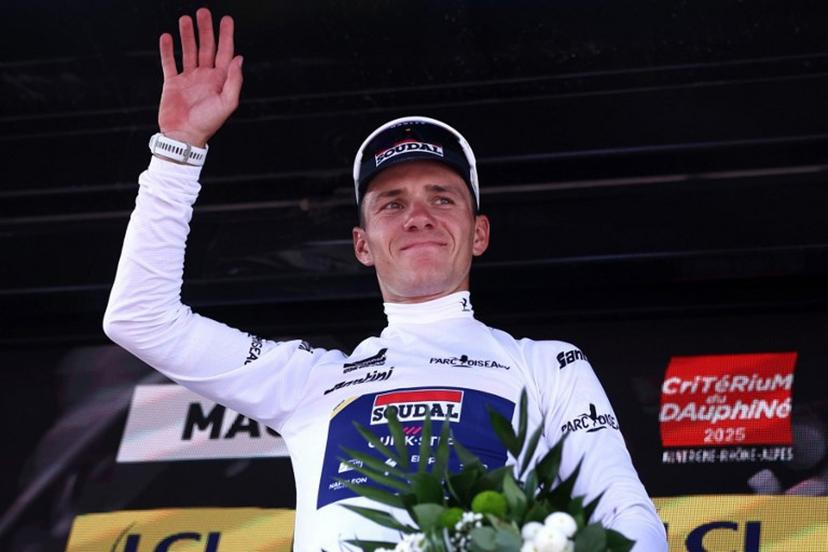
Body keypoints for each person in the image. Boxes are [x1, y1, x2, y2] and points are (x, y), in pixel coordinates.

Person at [103, 8, 667, 551]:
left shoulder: (547, 366)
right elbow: (140, 319)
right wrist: (178, 151)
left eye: (442, 198)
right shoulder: (313, 383)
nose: (418, 216)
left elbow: (624, 515)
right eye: (391, 204)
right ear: (362, 245)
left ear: (479, 234)